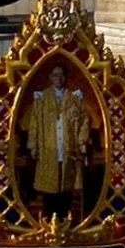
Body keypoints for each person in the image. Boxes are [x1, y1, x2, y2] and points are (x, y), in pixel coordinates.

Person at [23, 62, 92, 214]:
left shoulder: (74, 98)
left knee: (66, 184)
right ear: (50, 77)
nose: (58, 78)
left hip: (68, 148)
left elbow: (84, 120)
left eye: (61, 75)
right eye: (55, 75)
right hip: (48, 148)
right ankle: (49, 219)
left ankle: (64, 219)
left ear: (65, 77)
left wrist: (82, 140)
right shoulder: (42, 99)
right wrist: (33, 145)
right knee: (50, 185)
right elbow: (34, 123)